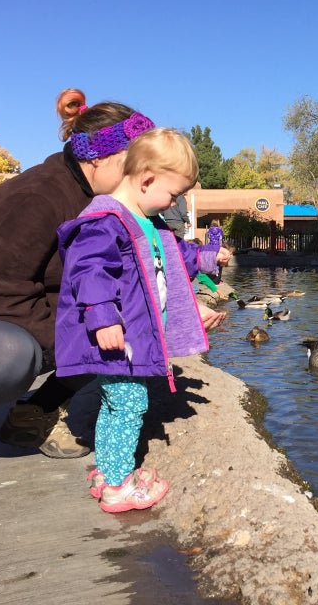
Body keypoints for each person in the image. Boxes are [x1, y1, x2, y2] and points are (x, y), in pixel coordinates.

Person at [0, 91, 228, 487]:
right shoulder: (34, 197)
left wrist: (182, 302)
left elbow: (156, 263)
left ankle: (34, 413)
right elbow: (0, 296)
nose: (141, 174)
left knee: (115, 332)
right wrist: (89, 336)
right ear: (100, 158)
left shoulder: (120, 201)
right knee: (19, 351)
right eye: (134, 164)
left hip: (3, 322)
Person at [55, 128, 227, 513]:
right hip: (117, 335)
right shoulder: (106, 220)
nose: (174, 203)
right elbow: (89, 269)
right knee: (129, 404)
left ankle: (108, 471)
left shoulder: (146, 221)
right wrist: (102, 318)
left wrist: (209, 259)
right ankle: (119, 484)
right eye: (173, 194)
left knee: (115, 402)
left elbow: (175, 258)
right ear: (147, 179)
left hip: (129, 334)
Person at [206, 218, 225, 284]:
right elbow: (221, 238)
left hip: (211, 247)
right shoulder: (220, 230)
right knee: (219, 263)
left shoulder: (210, 230)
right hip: (218, 248)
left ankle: (210, 278)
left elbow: (208, 237)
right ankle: (217, 279)